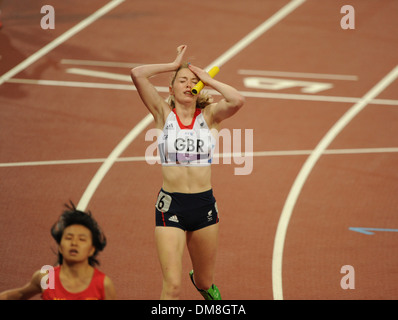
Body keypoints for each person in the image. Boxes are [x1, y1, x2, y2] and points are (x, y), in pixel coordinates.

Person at [131, 45, 244, 300]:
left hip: (203, 204)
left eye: (192, 81)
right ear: (171, 89)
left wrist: (209, 80)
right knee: (172, 287)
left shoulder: (210, 116)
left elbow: (237, 100)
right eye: (181, 80)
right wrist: (173, 66)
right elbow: (137, 74)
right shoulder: (162, 114)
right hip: (171, 205)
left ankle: (204, 285)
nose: (187, 84)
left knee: (205, 281)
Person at [0, 202, 116, 300]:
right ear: (60, 247)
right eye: (68, 238)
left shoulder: (102, 285)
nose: (74, 243)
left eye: (82, 239)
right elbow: (20, 294)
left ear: (91, 250)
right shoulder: (47, 278)